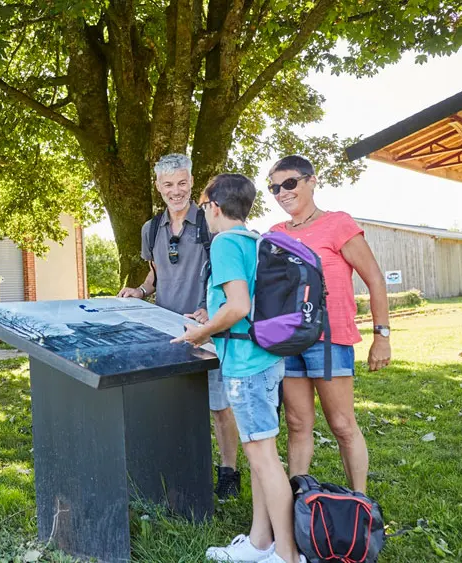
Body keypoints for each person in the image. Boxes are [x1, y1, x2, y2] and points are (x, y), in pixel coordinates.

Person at [175, 174, 302, 563]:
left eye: (203, 206)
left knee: (264, 459)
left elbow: (239, 306)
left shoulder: (225, 242)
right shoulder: (253, 240)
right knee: (261, 456)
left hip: (246, 367)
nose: (202, 214)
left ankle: (287, 554)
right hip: (265, 358)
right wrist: (210, 316)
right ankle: (259, 542)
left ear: (214, 206)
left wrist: (201, 333)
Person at [118, 153, 242, 500]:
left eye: (182, 183)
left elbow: (228, 272)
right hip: (167, 334)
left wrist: (210, 309)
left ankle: (229, 473)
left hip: (209, 329)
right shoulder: (150, 228)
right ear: (158, 186)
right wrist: (141, 291)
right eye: (168, 184)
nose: (176, 191)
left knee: (219, 406)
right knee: (171, 404)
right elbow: (156, 273)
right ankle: (177, 468)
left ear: (192, 182)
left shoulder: (210, 221)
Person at [267, 155, 391, 494]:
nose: (282, 193)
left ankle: (360, 502)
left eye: (289, 183)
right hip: (289, 341)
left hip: (329, 340)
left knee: (342, 424)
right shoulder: (275, 234)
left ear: (311, 181)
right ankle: (298, 501)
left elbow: (375, 280)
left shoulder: (338, 224)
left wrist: (382, 336)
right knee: (297, 423)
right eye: (275, 188)